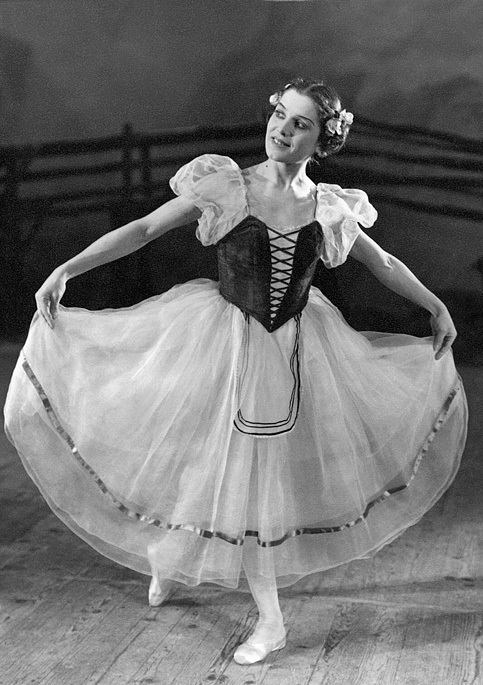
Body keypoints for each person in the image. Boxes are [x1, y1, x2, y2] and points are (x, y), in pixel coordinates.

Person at [4, 78, 467, 666]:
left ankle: (267, 620)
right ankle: (178, 560)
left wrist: (435, 306)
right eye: (280, 114)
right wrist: (65, 270)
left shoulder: (328, 206)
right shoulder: (227, 185)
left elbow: (384, 262)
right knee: (200, 456)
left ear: (322, 141)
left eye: (300, 123)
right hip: (216, 340)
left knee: (255, 482)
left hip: (291, 351)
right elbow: (144, 229)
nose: (283, 129)